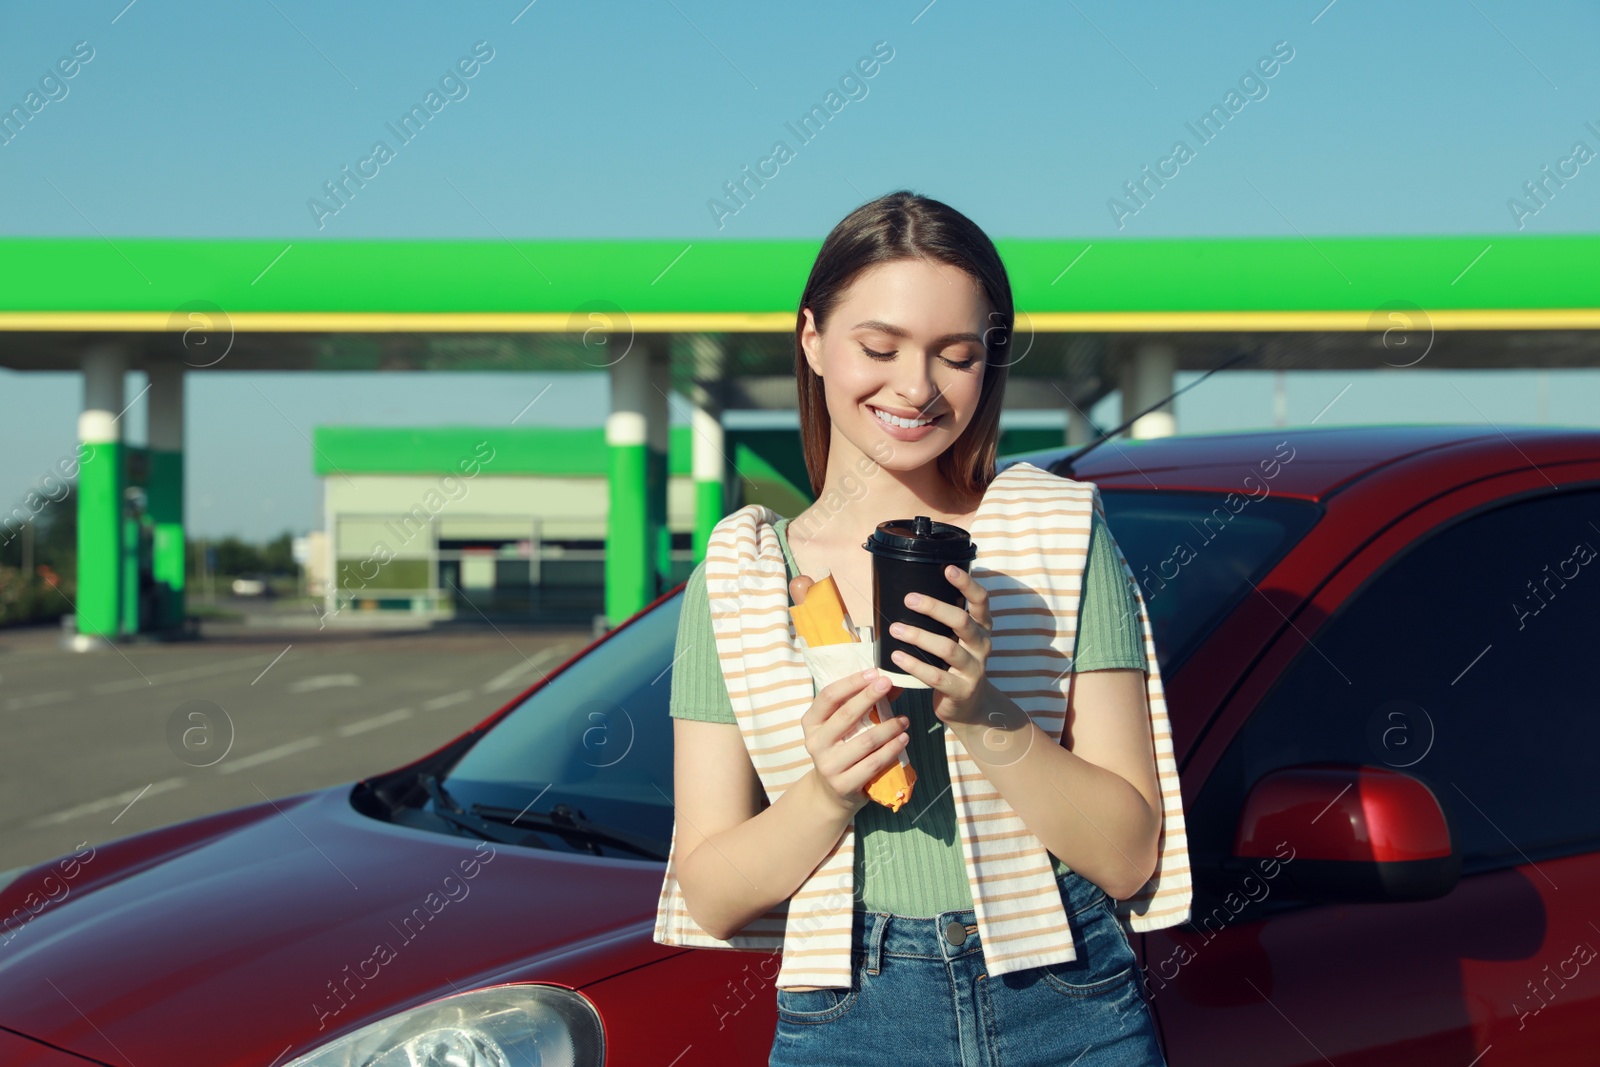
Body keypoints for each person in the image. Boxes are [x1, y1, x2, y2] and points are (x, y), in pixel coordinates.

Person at [661, 190, 1178, 1066]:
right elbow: (710, 891)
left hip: (1069, 992)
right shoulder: (742, 576)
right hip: (849, 1010)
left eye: (957, 354)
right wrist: (826, 792)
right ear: (812, 338)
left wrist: (986, 713)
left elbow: (1129, 857)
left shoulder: (1057, 534)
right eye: (879, 346)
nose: (916, 386)